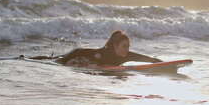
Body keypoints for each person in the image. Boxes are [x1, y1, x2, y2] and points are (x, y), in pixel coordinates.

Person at [30, 30, 161, 67]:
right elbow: (80, 52)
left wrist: (157, 61)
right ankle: (27, 58)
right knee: (54, 60)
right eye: (124, 46)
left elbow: (142, 58)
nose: (127, 50)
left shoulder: (126, 55)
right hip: (75, 55)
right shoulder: (102, 54)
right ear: (115, 46)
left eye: (128, 47)